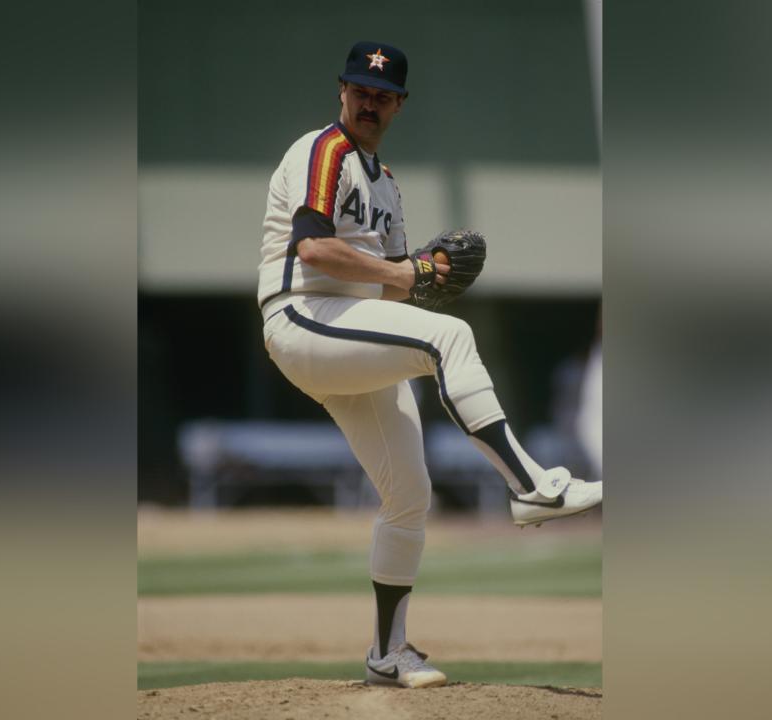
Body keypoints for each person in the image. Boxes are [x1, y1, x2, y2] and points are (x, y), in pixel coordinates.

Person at [257, 41, 602, 689]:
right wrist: (406, 274)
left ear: (399, 106)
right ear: (342, 91)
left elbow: (394, 292)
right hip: (302, 314)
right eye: (361, 90)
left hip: (350, 332)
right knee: (452, 339)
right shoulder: (323, 150)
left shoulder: (386, 186)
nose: (370, 102)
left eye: (383, 96)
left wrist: (424, 279)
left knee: (409, 495)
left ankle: (388, 652)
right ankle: (532, 485)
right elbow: (313, 246)